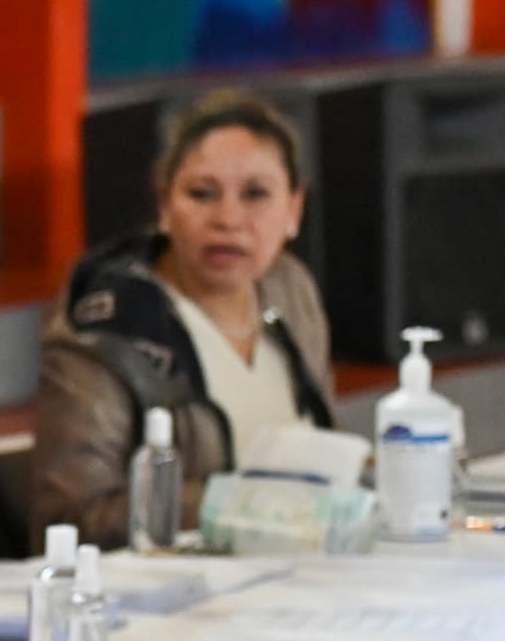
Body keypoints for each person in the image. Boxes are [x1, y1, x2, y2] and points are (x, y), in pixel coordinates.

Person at [31, 93, 336, 545]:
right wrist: (231, 505)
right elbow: (72, 516)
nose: (228, 219)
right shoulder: (106, 328)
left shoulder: (290, 289)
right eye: (202, 194)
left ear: (294, 209)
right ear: (164, 205)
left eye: (255, 194)